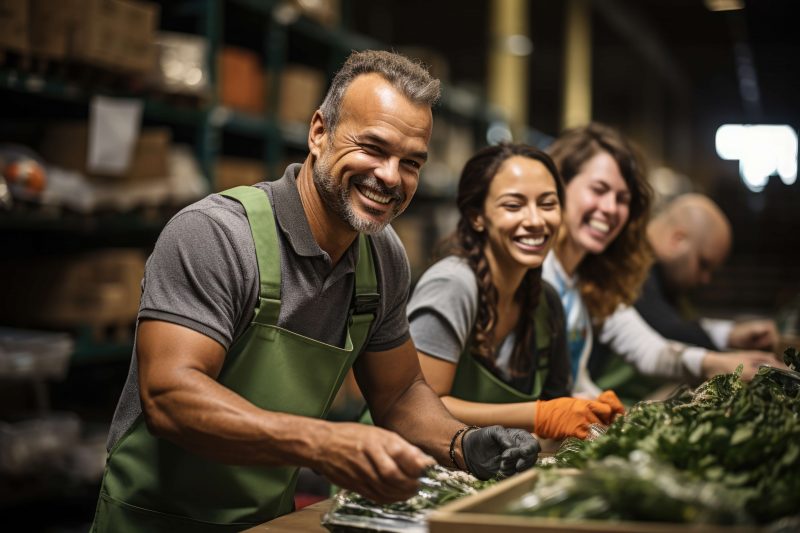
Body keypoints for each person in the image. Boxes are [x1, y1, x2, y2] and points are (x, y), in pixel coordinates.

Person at [90, 50, 538, 532]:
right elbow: (171, 397)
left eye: (411, 162)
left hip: (266, 524)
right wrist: (323, 443)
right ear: (319, 132)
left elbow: (401, 394)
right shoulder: (215, 235)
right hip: (155, 523)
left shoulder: (381, 258)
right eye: (373, 148)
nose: (391, 176)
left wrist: (463, 444)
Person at [542, 123, 780, 397]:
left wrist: (716, 363)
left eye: (622, 198)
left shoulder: (592, 279)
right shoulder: (533, 272)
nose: (609, 208)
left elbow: (646, 348)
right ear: (560, 185)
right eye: (598, 189)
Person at [407, 144, 624, 441]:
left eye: (548, 204)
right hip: (397, 472)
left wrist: (587, 408)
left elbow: (556, 403)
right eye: (513, 205)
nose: (535, 221)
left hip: (478, 472)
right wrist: (539, 416)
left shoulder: (546, 302)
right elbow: (418, 409)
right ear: (476, 216)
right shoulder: (453, 285)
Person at [637, 193, 779, 351]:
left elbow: (679, 322)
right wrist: (727, 337)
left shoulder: (663, 278)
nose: (706, 279)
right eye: (703, 264)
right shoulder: (633, 266)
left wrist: (729, 333)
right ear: (676, 240)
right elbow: (668, 331)